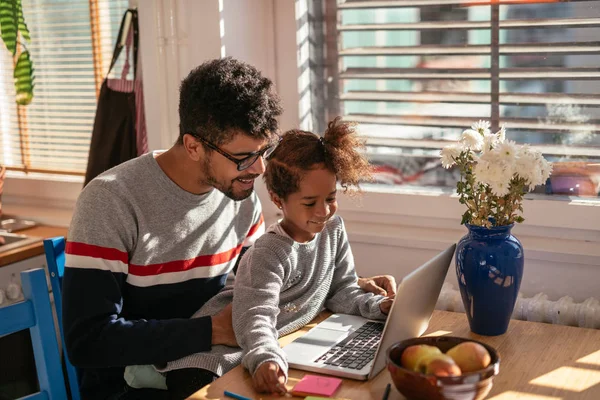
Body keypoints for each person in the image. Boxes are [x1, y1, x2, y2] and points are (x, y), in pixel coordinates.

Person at [63, 57, 396, 399]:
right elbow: (87, 341)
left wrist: (344, 285)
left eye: (263, 150)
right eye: (243, 157)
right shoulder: (112, 200)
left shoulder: (239, 197)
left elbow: (257, 285)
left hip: (219, 366)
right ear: (193, 146)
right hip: (136, 389)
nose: (259, 168)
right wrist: (210, 330)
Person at [128, 118, 395, 397]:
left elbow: (342, 291)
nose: (323, 211)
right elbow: (256, 317)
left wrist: (378, 306)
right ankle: (152, 372)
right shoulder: (268, 253)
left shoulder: (334, 231)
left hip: (267, 346)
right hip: (212, 358)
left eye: (330, 198)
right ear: (278, 199)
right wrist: (267, 358)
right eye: (309, 203)